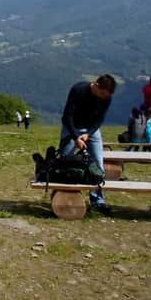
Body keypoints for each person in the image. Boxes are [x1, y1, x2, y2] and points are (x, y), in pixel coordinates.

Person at [59, 74, 117, 213]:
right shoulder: (78, 90)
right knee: (65, 160)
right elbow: (67, 116)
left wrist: (89, 134)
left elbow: (100, 119)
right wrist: (76, 137)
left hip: (91, 129)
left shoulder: (107, 97)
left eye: (106, 96)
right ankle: (66, 197)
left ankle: (98, 200)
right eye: (102, 94)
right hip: (72, 127)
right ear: (96, 86)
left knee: (98, 163)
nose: (103, 98)